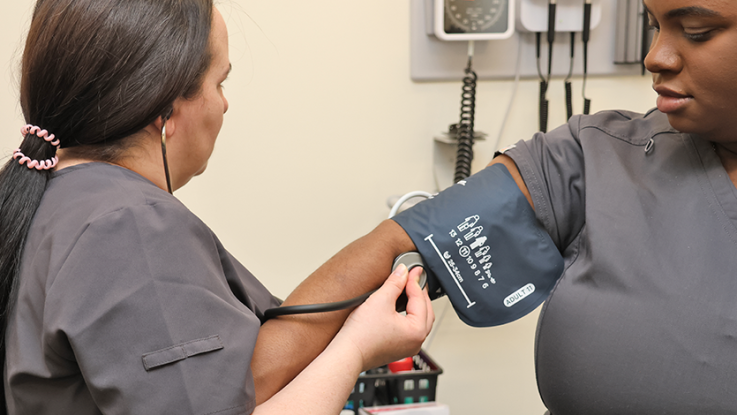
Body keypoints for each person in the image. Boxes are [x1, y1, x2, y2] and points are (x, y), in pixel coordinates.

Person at [253, 0, 737, 413]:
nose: (656, 57)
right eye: (653, 24)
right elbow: (402, 243)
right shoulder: (596, 157)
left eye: (697, 32)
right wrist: (243, 392)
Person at [0, 0, 434, 414]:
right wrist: (357, 347)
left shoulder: (49, 193)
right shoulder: (129, 228)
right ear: (165, 108)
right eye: (218, 82)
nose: (224, 103)